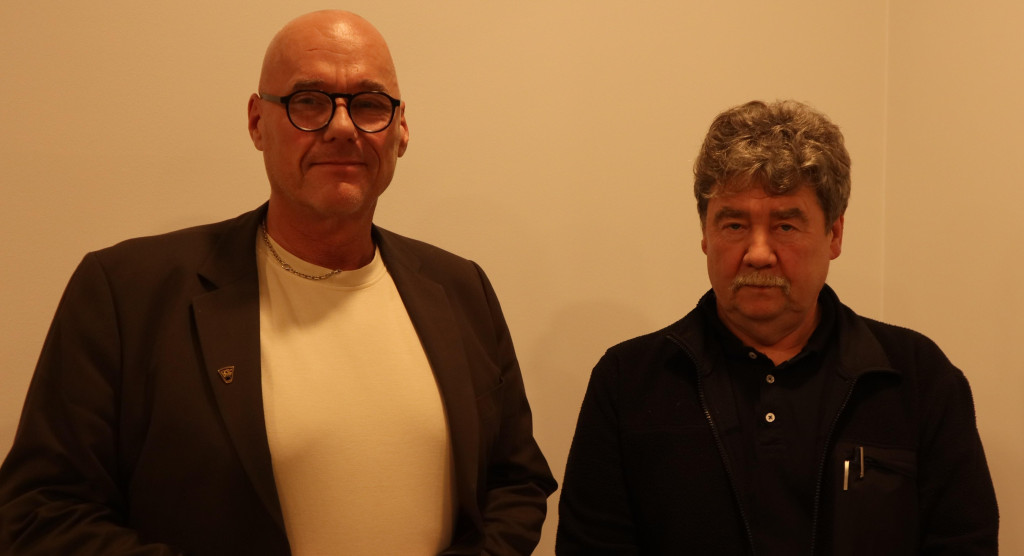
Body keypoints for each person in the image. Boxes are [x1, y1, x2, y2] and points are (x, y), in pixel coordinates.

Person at [0, 10, 555, 556]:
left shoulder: (461, 289)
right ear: (256, 122)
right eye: (308, 101)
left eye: (369, 104)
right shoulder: (126, 293)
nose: (343, 127)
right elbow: (41, 512)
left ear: (401, 128)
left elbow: (515, 482)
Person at [556, 100, 998, 555]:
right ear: (705, 234)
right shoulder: (628, 380)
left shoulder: (917, 376)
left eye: (785, 226)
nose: (758, 253)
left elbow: (964, 543)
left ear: (834, 234)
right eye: (734, 224)